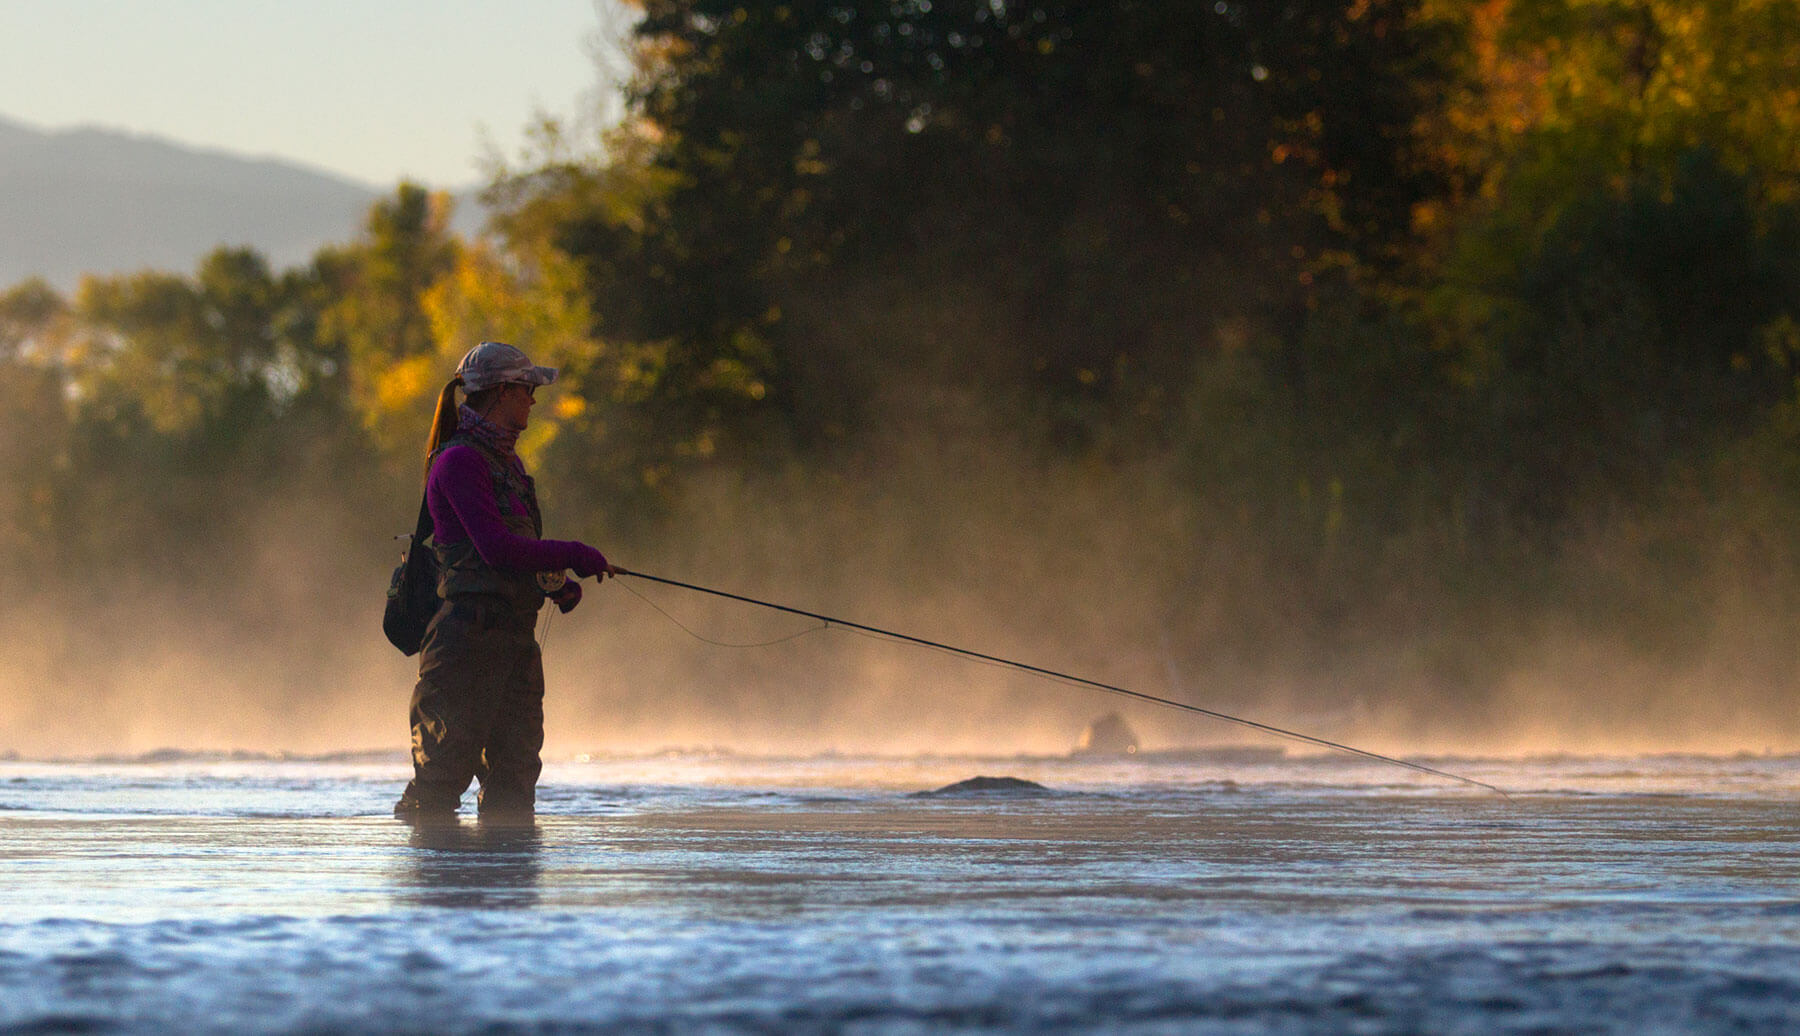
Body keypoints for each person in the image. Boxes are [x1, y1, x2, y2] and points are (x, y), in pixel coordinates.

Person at [393, 341, 614, 821]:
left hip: (514, 643)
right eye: (527, 389)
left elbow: (512, 555)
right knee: (437, 788)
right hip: (463, 644)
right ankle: (435, 890)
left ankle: (505, 893)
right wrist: (574, 553)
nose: (534, 400)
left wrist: (555, 584)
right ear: (501, 392)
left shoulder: (510, 467)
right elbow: (495, 549)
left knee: (514, 787)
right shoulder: (458, 463)